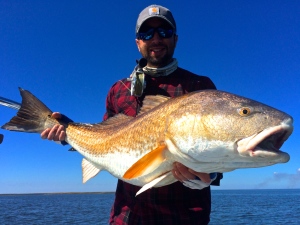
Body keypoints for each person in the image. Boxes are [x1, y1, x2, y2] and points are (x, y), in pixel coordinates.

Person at [41, 5, 222, 225]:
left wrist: (210, 175)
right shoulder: (118, 90)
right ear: (138, 42)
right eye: (147, 33)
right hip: (127, 216)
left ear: (175, 38)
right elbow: (103, 139)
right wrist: (67, 131)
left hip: (185, 216)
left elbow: (221, 148)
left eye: (164, 32)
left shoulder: (200, 88)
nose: (156, 39)